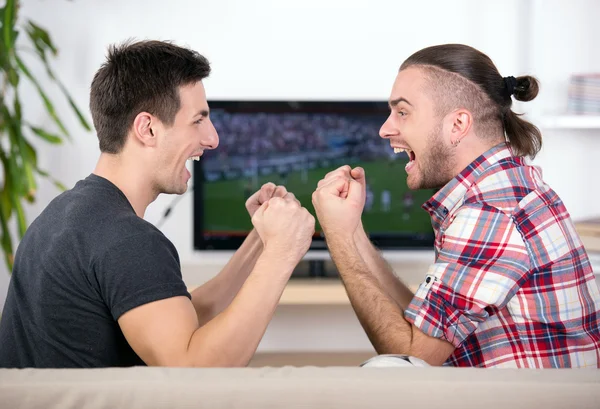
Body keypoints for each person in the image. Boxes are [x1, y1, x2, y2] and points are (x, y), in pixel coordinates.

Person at [0, 40, 315, 368]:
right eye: (198, 121)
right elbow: (194, 371)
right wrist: (282, 255)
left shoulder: (71, 213)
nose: (213, 138)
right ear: (147, 129)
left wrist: (262, 243)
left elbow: (179, 317)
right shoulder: (126, 239)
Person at [312, 44, 600, 368]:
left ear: (458, 124)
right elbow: (426, 327)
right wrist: (351, 231)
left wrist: (336, 236)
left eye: (402, 112)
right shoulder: (501, 188)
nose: (385, 128)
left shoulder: (489, 213)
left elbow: (413, 358)